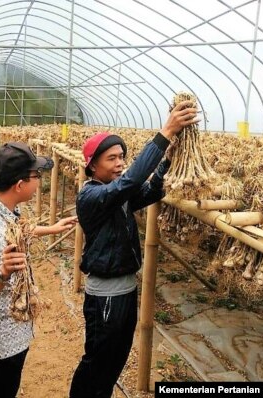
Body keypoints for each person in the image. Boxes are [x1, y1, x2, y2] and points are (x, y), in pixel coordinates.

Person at [69, 100, 199, 398]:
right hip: (106, 297)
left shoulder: (118, 194)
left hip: (125, 291)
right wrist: (165, 132)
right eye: (112, 158)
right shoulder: (92, 196)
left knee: (115, 360)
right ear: (92, 165)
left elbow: (148, 190)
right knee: (97, 361)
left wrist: (167, 160)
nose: (119, 163)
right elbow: (130, 182)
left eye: (122, 157)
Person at [0, 142, 78, 398]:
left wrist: (53, 228)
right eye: (36, 176)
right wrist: (3, 272)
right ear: (19, 185)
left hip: (10, 334)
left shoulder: (0, 208)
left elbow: (15, 230)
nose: (39, 181)